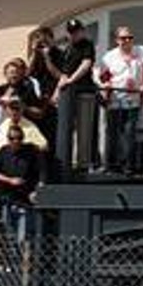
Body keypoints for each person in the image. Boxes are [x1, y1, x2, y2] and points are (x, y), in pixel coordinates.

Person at [96, 25, 143, 175]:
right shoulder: (109, 56)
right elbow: (103, 76)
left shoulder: (141, 51)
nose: (127, 40)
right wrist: (106, 85)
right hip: (115, 99)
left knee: (129, 133)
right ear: (117, 40)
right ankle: (110, 165)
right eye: (123, 38)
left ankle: (127, 166)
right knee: (113, 134)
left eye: (130, 37)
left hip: (133, 99)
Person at [52, 18, 101, 172]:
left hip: (84, 92)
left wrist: (71, 81)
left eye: (77, 31)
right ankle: (68, 163)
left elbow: (86, 65)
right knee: (68, 128)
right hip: (69, 95)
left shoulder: (87, 44)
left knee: (84, 129)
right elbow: (63, 74)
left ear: (82, 31)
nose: (74, 34)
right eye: (71, 32)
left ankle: (83, 164)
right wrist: (57, 92)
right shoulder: (67, 49)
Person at [0, 125, 43, 241]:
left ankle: (24, 258)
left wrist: (36, 190)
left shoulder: (30, 152)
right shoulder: (4, 151)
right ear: (8, 139)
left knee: (24, 235)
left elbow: (39, 173)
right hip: (6, 197)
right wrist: (10, 180)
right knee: (8, 233)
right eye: (12, 138)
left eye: (19, 138)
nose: (16, 141)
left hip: (24, 198)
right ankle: (9, 257)